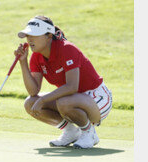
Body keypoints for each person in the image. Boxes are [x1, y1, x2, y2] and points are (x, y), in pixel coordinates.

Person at [14, 15, 113, 149]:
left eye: (34, 35)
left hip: (98, 97)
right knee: (30, 103)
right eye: (28, 36)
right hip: (72, 99)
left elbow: (72, 87)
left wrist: (43, 100)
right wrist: (23, 62)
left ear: (49, 36)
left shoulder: (67, 49)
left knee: (64, 102)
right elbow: (33, 91)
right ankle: (71, 131)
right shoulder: (36, 57)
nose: (30, 39)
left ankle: (89, 133)